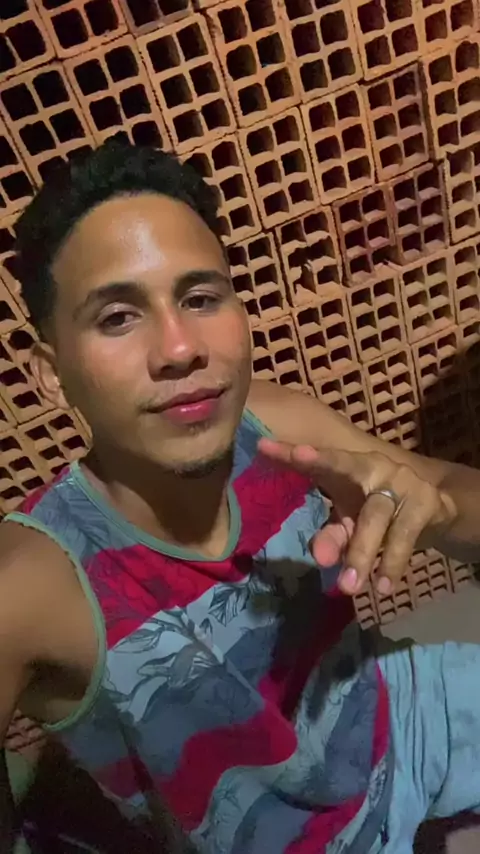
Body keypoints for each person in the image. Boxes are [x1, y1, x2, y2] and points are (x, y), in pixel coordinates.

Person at [1, 140, 480, 854]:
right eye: (118, 316)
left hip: (399, 714)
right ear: (50, 372)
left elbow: (455, 496)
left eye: (200, 298)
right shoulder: (34, 582)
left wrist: (439, 508)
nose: (180, 348)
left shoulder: (277, 426)